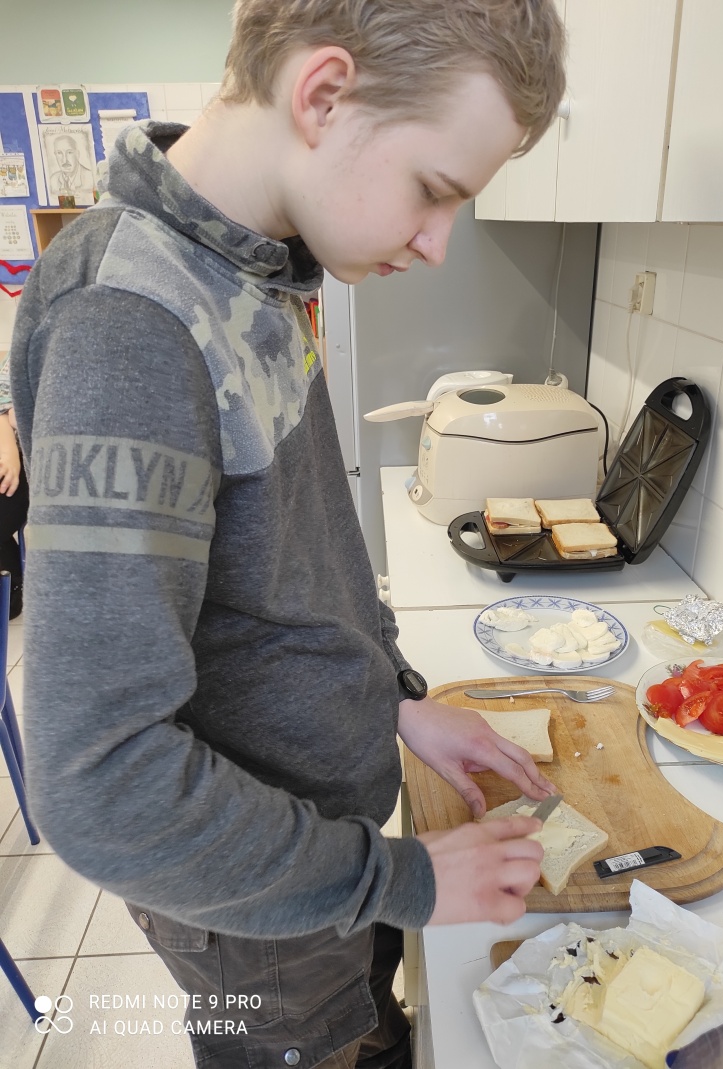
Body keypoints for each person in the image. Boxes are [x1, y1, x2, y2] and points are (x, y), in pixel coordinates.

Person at [10, 2, 566, 1066]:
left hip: (324, 855)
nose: (436, 242)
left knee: (366, 1023)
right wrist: (400, 878)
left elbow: (293, 573)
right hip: (255, 905)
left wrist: (394, 701)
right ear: (324, 95)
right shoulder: (129, 323)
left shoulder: (251, 274)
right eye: (434, 189)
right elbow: (102, 785)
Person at [0, 355, 26, 619]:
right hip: (13, 452)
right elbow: (2, 402)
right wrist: (9, 453)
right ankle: (10, 593)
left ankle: (9, 595)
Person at [47, 133, 95, 205]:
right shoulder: (53, 180)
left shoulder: (91, 177)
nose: (64, 160)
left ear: (77, 154)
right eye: (59, 153)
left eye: (69, 152)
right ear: (55, 155)